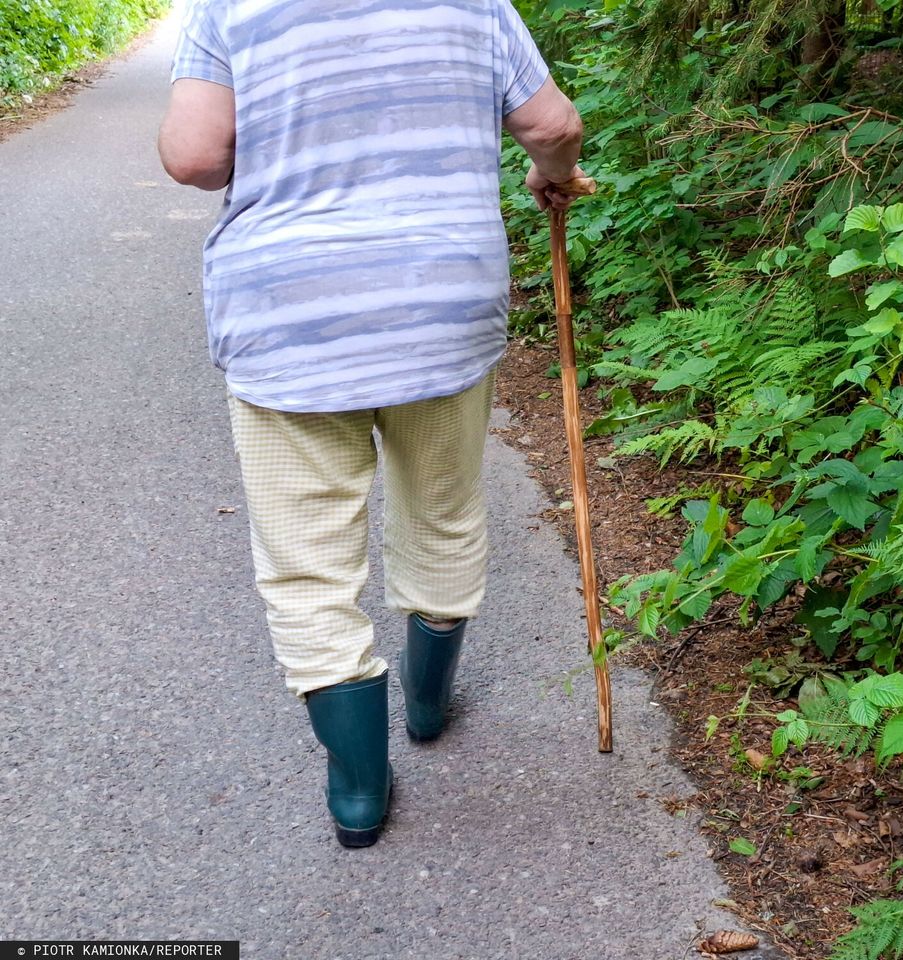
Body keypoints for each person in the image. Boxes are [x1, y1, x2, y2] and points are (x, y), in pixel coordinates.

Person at [157, 0, 587, 848]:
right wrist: (553, 172)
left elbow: (195, 156)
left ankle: (358, 788)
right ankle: (426, 707)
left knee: (307, 560)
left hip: (291, 314)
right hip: (441, 300)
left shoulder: (231, 6)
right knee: (442, 510)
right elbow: (550, 121)